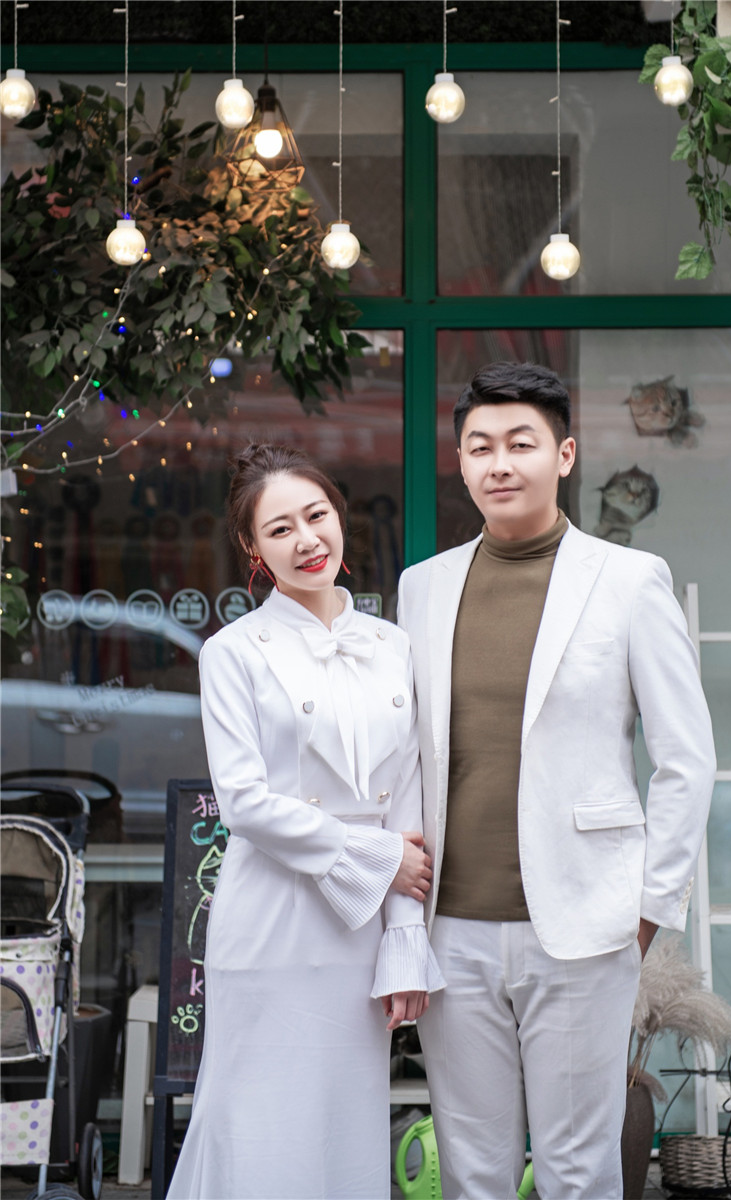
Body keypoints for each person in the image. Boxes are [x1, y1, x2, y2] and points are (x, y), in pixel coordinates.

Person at [397, 362, 716, 1200]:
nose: (499, 463)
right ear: (460, 462)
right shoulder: (422, 588)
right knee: (472, 1167)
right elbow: (407, 755)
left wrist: (648, 911)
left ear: (564, 455)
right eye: (480, 447)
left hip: (584, 921)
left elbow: (686, 758)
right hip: (450, 926)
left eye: (521, 443)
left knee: (578, 1168)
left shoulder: (629, 580)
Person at [167, 443, 443, 1200]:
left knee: (343, 1128)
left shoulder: (393, 646)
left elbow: (408, 793)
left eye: (316, 516)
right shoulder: (232, 653)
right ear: (253, 548)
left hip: (358, 933)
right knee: (262, 1125)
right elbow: (245, 802)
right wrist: (377, 852)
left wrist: (405, 940)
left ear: (339, 518)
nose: (307, 540)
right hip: (272, 924)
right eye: (280, 528)